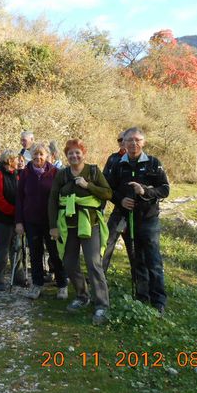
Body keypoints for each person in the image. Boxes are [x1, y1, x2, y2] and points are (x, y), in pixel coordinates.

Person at [49, 138, 113, 325]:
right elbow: (53, 199)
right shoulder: (62, 174)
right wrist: (53, 226)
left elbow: (108, 193)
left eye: (77, 152)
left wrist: (88, 186)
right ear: (66, 155)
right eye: (70, 153)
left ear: (83, 153)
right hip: (67, 225)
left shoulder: (93, 171)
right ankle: (82, 295)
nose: (74, 155)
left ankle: (102, 304)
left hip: (90, 224)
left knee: (94, 263)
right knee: (69, 262)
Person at [106, 127, 170, 314]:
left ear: (143, 142)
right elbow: (109, 189)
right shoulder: (118, 164)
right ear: (123, 143)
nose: (133, 144)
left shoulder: (153, 163)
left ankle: (159, 301)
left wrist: (145, 191)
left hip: (148, 220)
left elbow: (165, 189)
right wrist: (120, 200)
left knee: (153, 260)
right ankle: (142, 297)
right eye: (129, 140)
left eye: (137, 140)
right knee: (136, 258)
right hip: (126, 219)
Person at [15, 143, 68, 300]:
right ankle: (37, 284)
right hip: (31, 221)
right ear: (31, 155)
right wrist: (19, 222)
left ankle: (62, 284)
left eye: (41, 154)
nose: (38, 157)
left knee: (55, 253)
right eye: (35, 154)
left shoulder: (56, 173)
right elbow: (19, 198)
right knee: (35, 254)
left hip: (51, 222)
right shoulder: (25, 174)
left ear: (48, 156)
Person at [0, 150, 26, 290]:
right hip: (2, 219)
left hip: (15, 218)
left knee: (17, 247)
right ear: (10, 161)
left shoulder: (15, 175)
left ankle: (18, 277)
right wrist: (14, 211)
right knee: (2, 249)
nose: (18, 161)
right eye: (16, 159)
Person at [101, 131, 132, 273]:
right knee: (107, 241)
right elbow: (104, 181)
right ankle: (100, 275)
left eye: (123, 139)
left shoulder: (139, 160)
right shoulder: (113, 159)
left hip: (135, 212)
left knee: (133, 247)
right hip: (118, 208)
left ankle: (138, 281)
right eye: (119, 139)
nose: (121, 142)